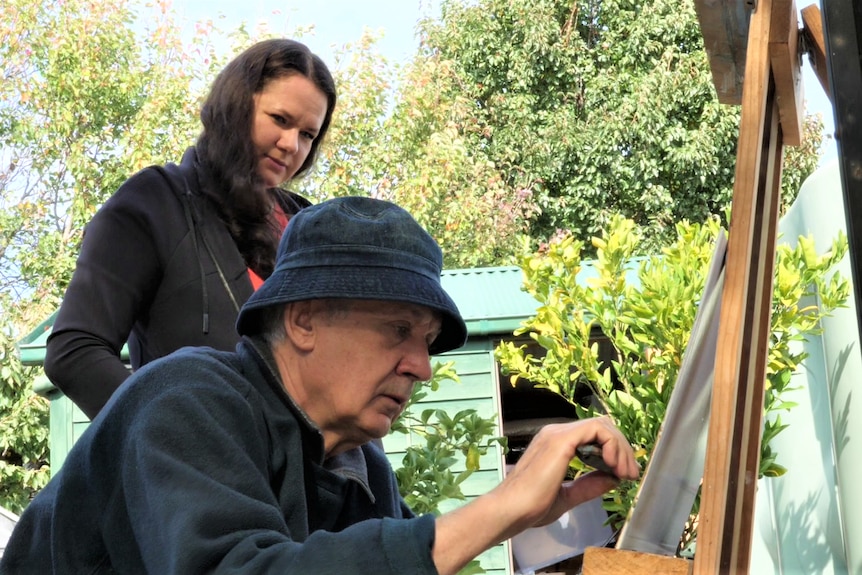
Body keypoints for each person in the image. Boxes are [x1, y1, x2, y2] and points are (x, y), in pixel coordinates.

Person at [1, 197, 639, 575]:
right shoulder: (185, 400)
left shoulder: (360, 470)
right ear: (302, 318)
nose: (421, 365)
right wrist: (499, 509)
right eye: (398, 330)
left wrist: (531, 522)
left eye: (427, 342)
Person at [43, 38, 337, 420]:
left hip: (307, 474)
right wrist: (168, 438)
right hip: (196, 474)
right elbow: (74, 350)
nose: (290, 144)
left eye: (307, 135)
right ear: (235, 106)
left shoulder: (310, 228)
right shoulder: (154, 201)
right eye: (280, 120)